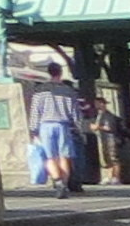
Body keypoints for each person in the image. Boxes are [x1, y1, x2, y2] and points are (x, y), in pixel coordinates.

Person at [27, 56, 88, 197]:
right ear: (60, 73)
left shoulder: (40, 91)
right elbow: (75, 113)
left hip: (45, 126)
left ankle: (58, 182)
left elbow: (35, 111)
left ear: (49, 72)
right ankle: (65, 185)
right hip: (63, 125)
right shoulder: (69, 91)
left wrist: (33, 130)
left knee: (49, 156)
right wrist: (80, 129)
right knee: (64, 156)